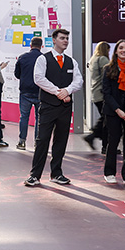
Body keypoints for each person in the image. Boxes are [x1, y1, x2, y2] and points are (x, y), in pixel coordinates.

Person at [24, 28, 82, 186]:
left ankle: (57, 173)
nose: (65, 41)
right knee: (42, 140)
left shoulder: (71, 61)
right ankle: (35, 175)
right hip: (48, 106)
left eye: (67, 38)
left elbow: (78, 81)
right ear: (54, 40)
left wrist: (67, 91)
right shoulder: (43, 59)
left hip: (65, 108)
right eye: (62, 38)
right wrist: (58, 92)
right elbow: (38, 78)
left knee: (61, 141)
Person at [102, 39, 125, 186]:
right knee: (113, 142)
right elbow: (106, 93)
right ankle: (109, 173)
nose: (124, 50)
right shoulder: (108, 69)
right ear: (116, 51)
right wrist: (118, 110)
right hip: (113, 111)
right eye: (121, 48)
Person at [13, 36, 44, 150]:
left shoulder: (22, 57)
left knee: (24, 117)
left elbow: (17, 74)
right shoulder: (44, 58)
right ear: (41, 46)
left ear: (30, 45)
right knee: (39, 118)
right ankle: (37, 142)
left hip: (25, 92)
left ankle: (22, 142)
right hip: (39, 92)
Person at [84, 41, 110, 151]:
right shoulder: (103, 59)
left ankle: (97, 139)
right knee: (106, 120)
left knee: (104, 119)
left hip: (95, 93)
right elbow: (108, 75)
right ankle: (97, 139)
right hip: (102, 93)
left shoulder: (93, 59)